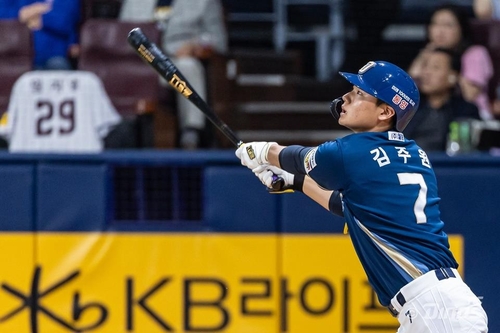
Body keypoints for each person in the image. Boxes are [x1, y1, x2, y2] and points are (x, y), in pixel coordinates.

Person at [235, 61, 488, 332]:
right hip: (440, 304)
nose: (345, 97)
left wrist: (262, 151)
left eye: (359, 94)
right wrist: (295, 181)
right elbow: (344, 205)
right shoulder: (413, 153)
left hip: (434, 309)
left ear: (386, 111)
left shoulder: (354, 151)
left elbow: (297, 157)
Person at [119, 0, 228, 149]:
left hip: (176, 60)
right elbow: (120, 33)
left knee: (189, 66)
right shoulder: (133, 2)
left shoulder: (204, 2)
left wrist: (196, 45)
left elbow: (218, 40)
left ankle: (191, 132)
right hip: (141, 63)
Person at [408, 4, 494, 121]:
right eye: (435, 24)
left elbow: (470, 95)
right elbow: (409, 86)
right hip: (434, 115)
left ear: (461, 29)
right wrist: (425, 56)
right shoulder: (427, 53)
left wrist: (450, 76)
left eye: (448, 25)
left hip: (471, 117)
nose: (440, 31)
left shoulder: (474, 53)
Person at [404, 48, 480, 152]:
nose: (426, 73)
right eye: (425, 66)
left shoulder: (465, 111)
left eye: (435, 68)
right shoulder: (409, 108)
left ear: (452, 77)